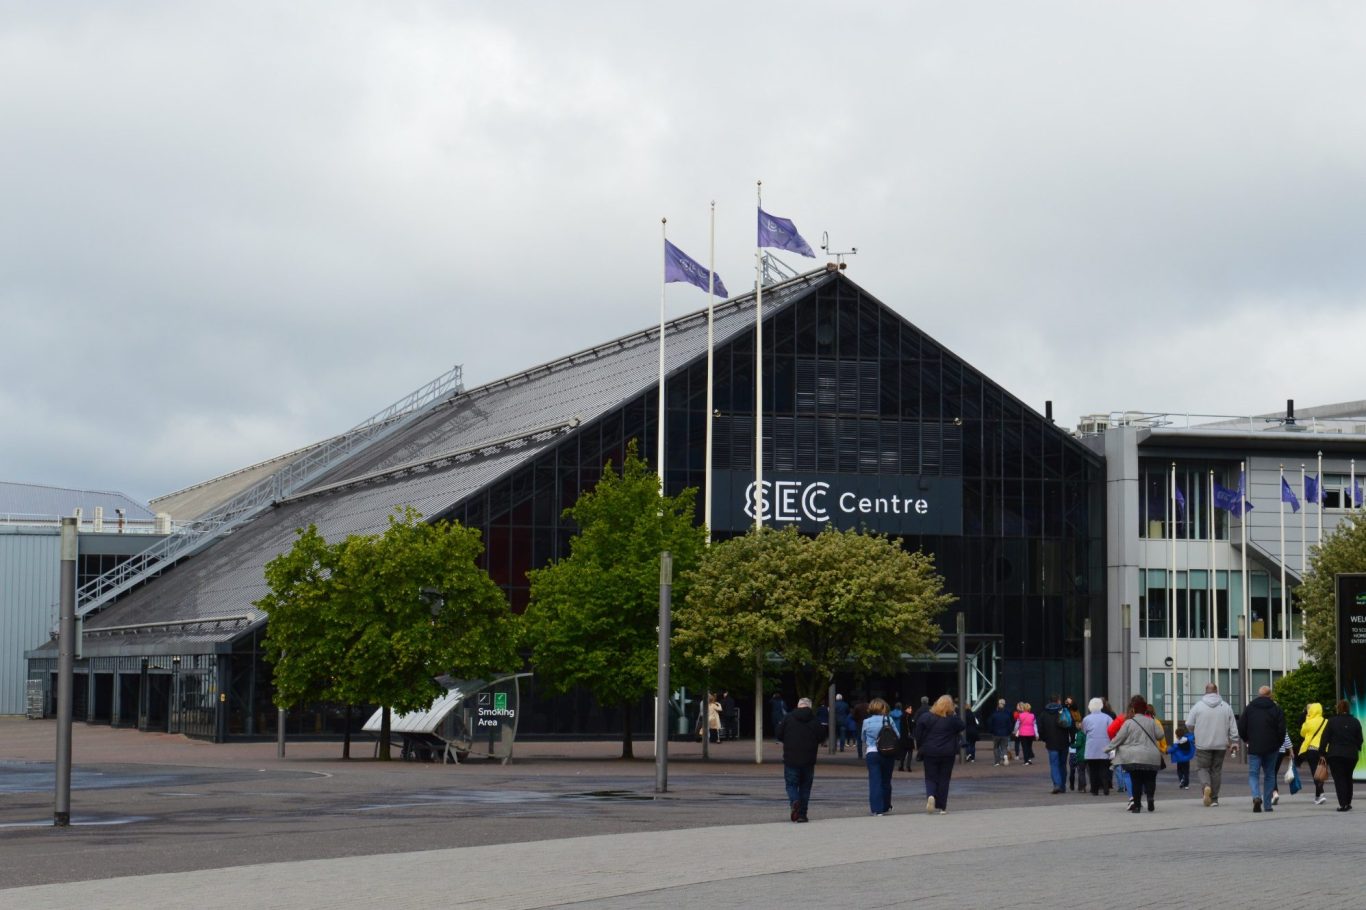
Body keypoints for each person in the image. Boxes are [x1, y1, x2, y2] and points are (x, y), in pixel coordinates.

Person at [1107, 695, 1165, 813]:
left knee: (1136, 780)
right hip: (1151, 756)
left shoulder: (1128, 722)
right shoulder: (1152, 721)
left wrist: (1108, 748)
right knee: (1150, 779)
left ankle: (1137, 805)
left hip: (1134, 757)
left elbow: (1119, 738)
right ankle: (1150, 798)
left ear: (1133, 709)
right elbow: (1160, 735)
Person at [1186, 682, 1239, 808]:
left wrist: (1195, 731)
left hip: (1202, 744)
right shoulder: (1226, 706)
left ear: (1205, 691)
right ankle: (1214, 799)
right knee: (1216, 770)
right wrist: (1234, 741)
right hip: (1221, 744)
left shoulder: (1198, 706)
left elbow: (1189, 724)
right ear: (1217, 691)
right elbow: (1233, 726)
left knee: (1202, 768)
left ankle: (1206, 786)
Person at [914, 694, 966, 814]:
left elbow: (918, 734)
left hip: (930, 751)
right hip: (948, 752)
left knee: (930, 777)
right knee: (944, 778)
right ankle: (942, 807)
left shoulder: (926, 717)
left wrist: (921, 746)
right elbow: (962, 726)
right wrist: (954, 714)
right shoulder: (952, 719)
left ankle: (931, 795)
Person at [1238, 685, 1286, 813]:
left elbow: (1241, 726)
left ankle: (1256, 797)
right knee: (1269, 774)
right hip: (1272, 747)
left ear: (1258, 695)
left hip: (1255, 746)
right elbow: (1282, 729)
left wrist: (1246, 739)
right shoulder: (1276, 709)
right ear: (1270, 695)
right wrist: (1278, 743)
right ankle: (1268, 805)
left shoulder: (1250, 708)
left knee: (1253, 774)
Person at [776, 697, 823, 822]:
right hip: (809, 759)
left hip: (791, 758)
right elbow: (822, 737)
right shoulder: (815, 720)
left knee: (791, 785)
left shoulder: (788, 718)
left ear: (798, 705)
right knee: (805, 787)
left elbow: (779, 734)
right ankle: (802, 815)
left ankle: (794, 801)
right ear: (810, 706)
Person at [1319, 699, 1364, 811]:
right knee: (1348, 777)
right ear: (1348, 708)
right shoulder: (1355, 722)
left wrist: (1322, 753)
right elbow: (1360, 739)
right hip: (1351, 754)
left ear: (1338, 708)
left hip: (1335, 754)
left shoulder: (1332, 721)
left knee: (1339, 779)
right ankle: (1348, 802)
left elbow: (1324, 738)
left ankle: (1343, 804)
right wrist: (1356, 747)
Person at [861, 698, 897, 816]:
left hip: (872, 752)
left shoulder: (866, 722)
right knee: (886, 780)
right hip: (888, 752)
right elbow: (897, 735)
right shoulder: (889, 720)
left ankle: (877, 809)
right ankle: (886, 805)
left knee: (875, 781)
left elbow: (863, 738)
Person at [1297, 701, 1329, 805]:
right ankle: (1317, 796)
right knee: (1321, 772)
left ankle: (1321, 793)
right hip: (1324, 750)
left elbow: (1302, 733)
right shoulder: (1326, 721)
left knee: (1315, 773)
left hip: (1312, 750)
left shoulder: (1309, 722)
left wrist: (1307, 718)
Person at [1037, 695, 1071, 793]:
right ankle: (1062, 786)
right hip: (1064, 742)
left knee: (1054, 764)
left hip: (1051, 743)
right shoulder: (1063, 711)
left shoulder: (1044, 714)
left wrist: (1044, 738)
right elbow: (1070, 725)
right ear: (1058, 701)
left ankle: (1057, 784)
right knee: (1062, 764)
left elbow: (1040, 728)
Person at [1081, 697, 1112, 795]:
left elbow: (1084, 731)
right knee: (1104, 769)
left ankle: (1094, 790)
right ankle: (1106, 788)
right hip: (1105, 745)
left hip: (1092, 747)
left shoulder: (1086, 719)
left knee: (1093, 770)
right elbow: (1112, 730)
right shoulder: (1107, 718)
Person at [1168, 723, 1194, 790]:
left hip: (1179, 759)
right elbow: (1192, 737)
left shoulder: (1176, 743)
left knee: (1179, 771)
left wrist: (1166, 751)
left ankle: (1181, 779)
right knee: (1186, 772)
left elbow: (1172, 749)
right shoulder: (1188, 740)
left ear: (1176, 735)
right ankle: (1186, 785)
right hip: (1186, 759)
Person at [988, 698, 1013, 766]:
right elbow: (1009, 725)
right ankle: (1005, 756)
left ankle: (997, 762)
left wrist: (991, 731)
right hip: (1005, 734)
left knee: (996, 747)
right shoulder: (1007, 715)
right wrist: (1009, 732)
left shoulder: (994, 715)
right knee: (1004, 747)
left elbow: (990, 724)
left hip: (996, 733)